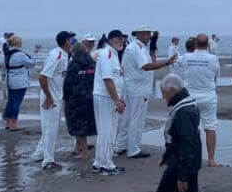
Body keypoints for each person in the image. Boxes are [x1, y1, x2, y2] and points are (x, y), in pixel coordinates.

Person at [146, 74, 224, 192]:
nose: (163, 97)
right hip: (189, 161)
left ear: (172, 90)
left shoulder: (184, 111)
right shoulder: (188, 104)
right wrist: (167, 155)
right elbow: (181, 139)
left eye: (164, 93)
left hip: (182, 163)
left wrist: (182, 175)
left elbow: (187, 143)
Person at [117, 26, 176, 160]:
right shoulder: (137, 48)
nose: (150, 37)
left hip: (132, 88)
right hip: (137, 89)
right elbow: (146, 66)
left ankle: (120, 146)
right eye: (148, 34)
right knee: (136, 120)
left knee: (128, 118)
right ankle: (133, 149)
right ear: (141, 34)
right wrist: (166, 62)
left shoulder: (134, 46)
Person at [33, 31, 74, 170]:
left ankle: (39, 154)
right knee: (51, 130)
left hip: (56, 96)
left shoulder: (64, 54)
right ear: (66, 41)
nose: (72, 41)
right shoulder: (57, 55)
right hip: (51, 98)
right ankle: (48, 161)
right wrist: (49, 97)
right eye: (70, 39)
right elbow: (42, 77)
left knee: (48, 128)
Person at [179, 33, 221, 166]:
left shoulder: (186, 57)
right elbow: (216, 73)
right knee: (210, 127)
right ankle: (211, 159)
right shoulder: (213, 59)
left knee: (190, 128)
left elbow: (177, 67)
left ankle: (190, 158)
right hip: (208, 97)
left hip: (190, 97)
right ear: (207, 45)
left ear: (195, 44)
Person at [92, 30, 126, 175]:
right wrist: (117, 101)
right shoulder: (107, 54)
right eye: (119, 38)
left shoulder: (113, 54)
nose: (122, 41)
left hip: (107, 97)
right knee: (108, 131)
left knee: (105, 131)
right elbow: (107, 79)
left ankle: (99, 162)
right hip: (106, 98)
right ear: (111, 40)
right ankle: (106, 165)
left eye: (123, 39)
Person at [63, 43, 97, 159]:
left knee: (77, 124)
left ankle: (84, 152)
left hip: (75, 98)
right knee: (84, 123)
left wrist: (65, 96)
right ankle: (78, 147)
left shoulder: (73, 64)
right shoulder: (92, 63)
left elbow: (68, 82)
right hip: (90, 97)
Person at [4, 35, 36, 130]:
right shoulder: (20, 54)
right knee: (16, 102)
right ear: (18, 43)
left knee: (10, 102)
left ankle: (8, 122)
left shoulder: (8, 53)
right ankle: (14, 124)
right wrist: (34, 55)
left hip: (10, 80)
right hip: (19, 81)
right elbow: (32, 63)